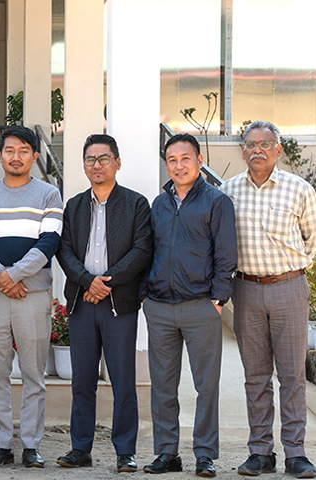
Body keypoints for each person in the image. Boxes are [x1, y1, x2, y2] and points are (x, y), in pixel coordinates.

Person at [220, 121, 316, 478]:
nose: (257, 150)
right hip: (246, 289)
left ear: (278, 149)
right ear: (242, 150)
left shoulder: (299, 189)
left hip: (289, 287)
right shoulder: (228, 191)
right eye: (250, 144)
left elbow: (312, 238)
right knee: (255, 376)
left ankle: (295, 454)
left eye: (265, 144)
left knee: (292, 375)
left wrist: (293, 270)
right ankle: (260, 451)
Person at [53, 134, 152, 473]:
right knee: (81, 380)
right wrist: (86, 282)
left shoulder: (136, 204)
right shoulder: (75, 206)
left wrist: (106, 281)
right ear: (83, 166)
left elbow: (142, 250)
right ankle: (80, 447)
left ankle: (125, 450)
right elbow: (63, 250)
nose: (97, 165)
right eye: (91, 160)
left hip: (118, 304)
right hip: (82, 304)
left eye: (104, 158)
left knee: (123, 379)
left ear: (117, 162)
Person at [0, 125, 62, 468]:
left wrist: (14, 275)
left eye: (23, 150)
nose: (16, 156)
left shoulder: (49, 195)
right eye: (9, 150)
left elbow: (48, 243)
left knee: (34, 372)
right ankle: (2, 444)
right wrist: (2, 279)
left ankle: (32, 445)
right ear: (0, 155)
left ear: (35, 156)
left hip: (32, 295)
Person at [142, 133, 236, 478]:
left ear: (198, 161)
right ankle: (167, 453)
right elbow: (148, 250)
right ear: (166, 164)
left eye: (185, 158)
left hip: (201, 306)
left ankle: (205, 454)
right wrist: (145, 295)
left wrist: (218, 299)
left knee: (206, 385)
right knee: (163, 385)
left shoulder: (216, 201)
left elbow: (226, 254)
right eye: (172, 160)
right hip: (160, 307)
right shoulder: (159, 204)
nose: (178, 165)